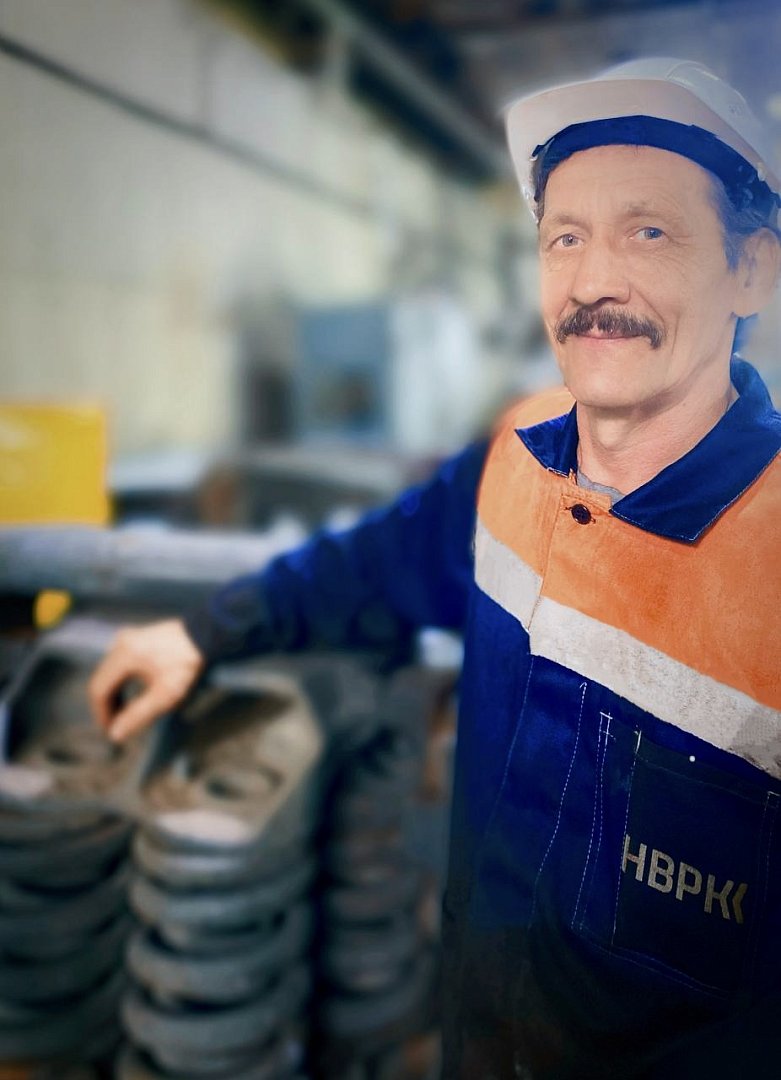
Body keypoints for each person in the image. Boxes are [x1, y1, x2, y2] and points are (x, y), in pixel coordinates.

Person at [90, 58, 781, 1078]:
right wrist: (204, 631)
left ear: (751, 271)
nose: (593, 284)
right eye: (564, 238)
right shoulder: (514, 456)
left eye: (648, 233)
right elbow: (371, 564)